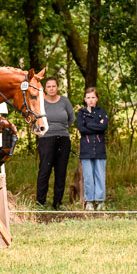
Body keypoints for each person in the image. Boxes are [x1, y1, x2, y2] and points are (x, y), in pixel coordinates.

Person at [36, 77, 75, 209]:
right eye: (49, 86)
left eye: (54, 86)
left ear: (57, 87)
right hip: (46, 139)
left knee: (61, 172)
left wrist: (61, 128)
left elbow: (72, 118)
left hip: (63, 139)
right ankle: (40, 201)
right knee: (44, 171)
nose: (51, 88)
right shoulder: (41, 102)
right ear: (45, 89)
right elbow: (35, 119)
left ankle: (57, 202)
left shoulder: (64, 101)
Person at [77, 87, 108, 211]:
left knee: (100, 175)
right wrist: (96, 125)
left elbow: (103, 127)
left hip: (99, 149)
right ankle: (89, 201)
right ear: (85, 99)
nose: (91, 100)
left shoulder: (102, 112)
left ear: (97, 99)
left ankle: (100, 201)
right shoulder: (81, 113)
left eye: (93, 97)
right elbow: (81, 128)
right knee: (88, 177)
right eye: (88, 97)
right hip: (86, 150)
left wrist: (89, 124)